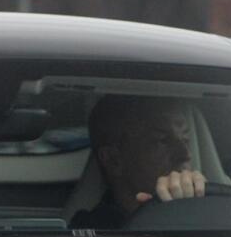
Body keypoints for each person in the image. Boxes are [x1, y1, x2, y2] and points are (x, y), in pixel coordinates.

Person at [70, 96, 211, 230]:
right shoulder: (89, 232)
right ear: (114, 159)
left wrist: (202, 202)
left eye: (185, 139)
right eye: (162, 141)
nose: (185, 154)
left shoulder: (212, 212)